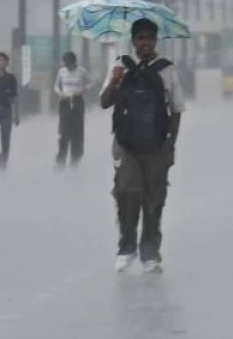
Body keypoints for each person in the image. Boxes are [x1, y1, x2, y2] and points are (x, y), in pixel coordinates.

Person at [100, 18, 184, 274]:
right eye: (140, 38)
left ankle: (150, 252)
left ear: (155, 41)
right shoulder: (120, 66)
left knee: (154, 199)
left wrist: (170, 145)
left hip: (157, 146)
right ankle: (126, 247)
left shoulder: (166, 69)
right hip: (124, 146)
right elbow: (104, 102)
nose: (145, 42)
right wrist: (115, 80)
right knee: (126, 191)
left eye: (149, 38)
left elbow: (177, 110)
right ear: (133, 41)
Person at [54, 51, 91, 167]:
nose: (68, 67)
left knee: (77, 130)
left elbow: (90, 82)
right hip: (65, 101)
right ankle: (61, 159)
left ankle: (76, 158)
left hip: (77, 101)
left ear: (74, 63)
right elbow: (56, 85)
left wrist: (83, 90)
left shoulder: (81, 71)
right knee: (63, 130)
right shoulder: (61, 71)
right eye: (66, 64)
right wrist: (60, 93)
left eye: (70, 64)